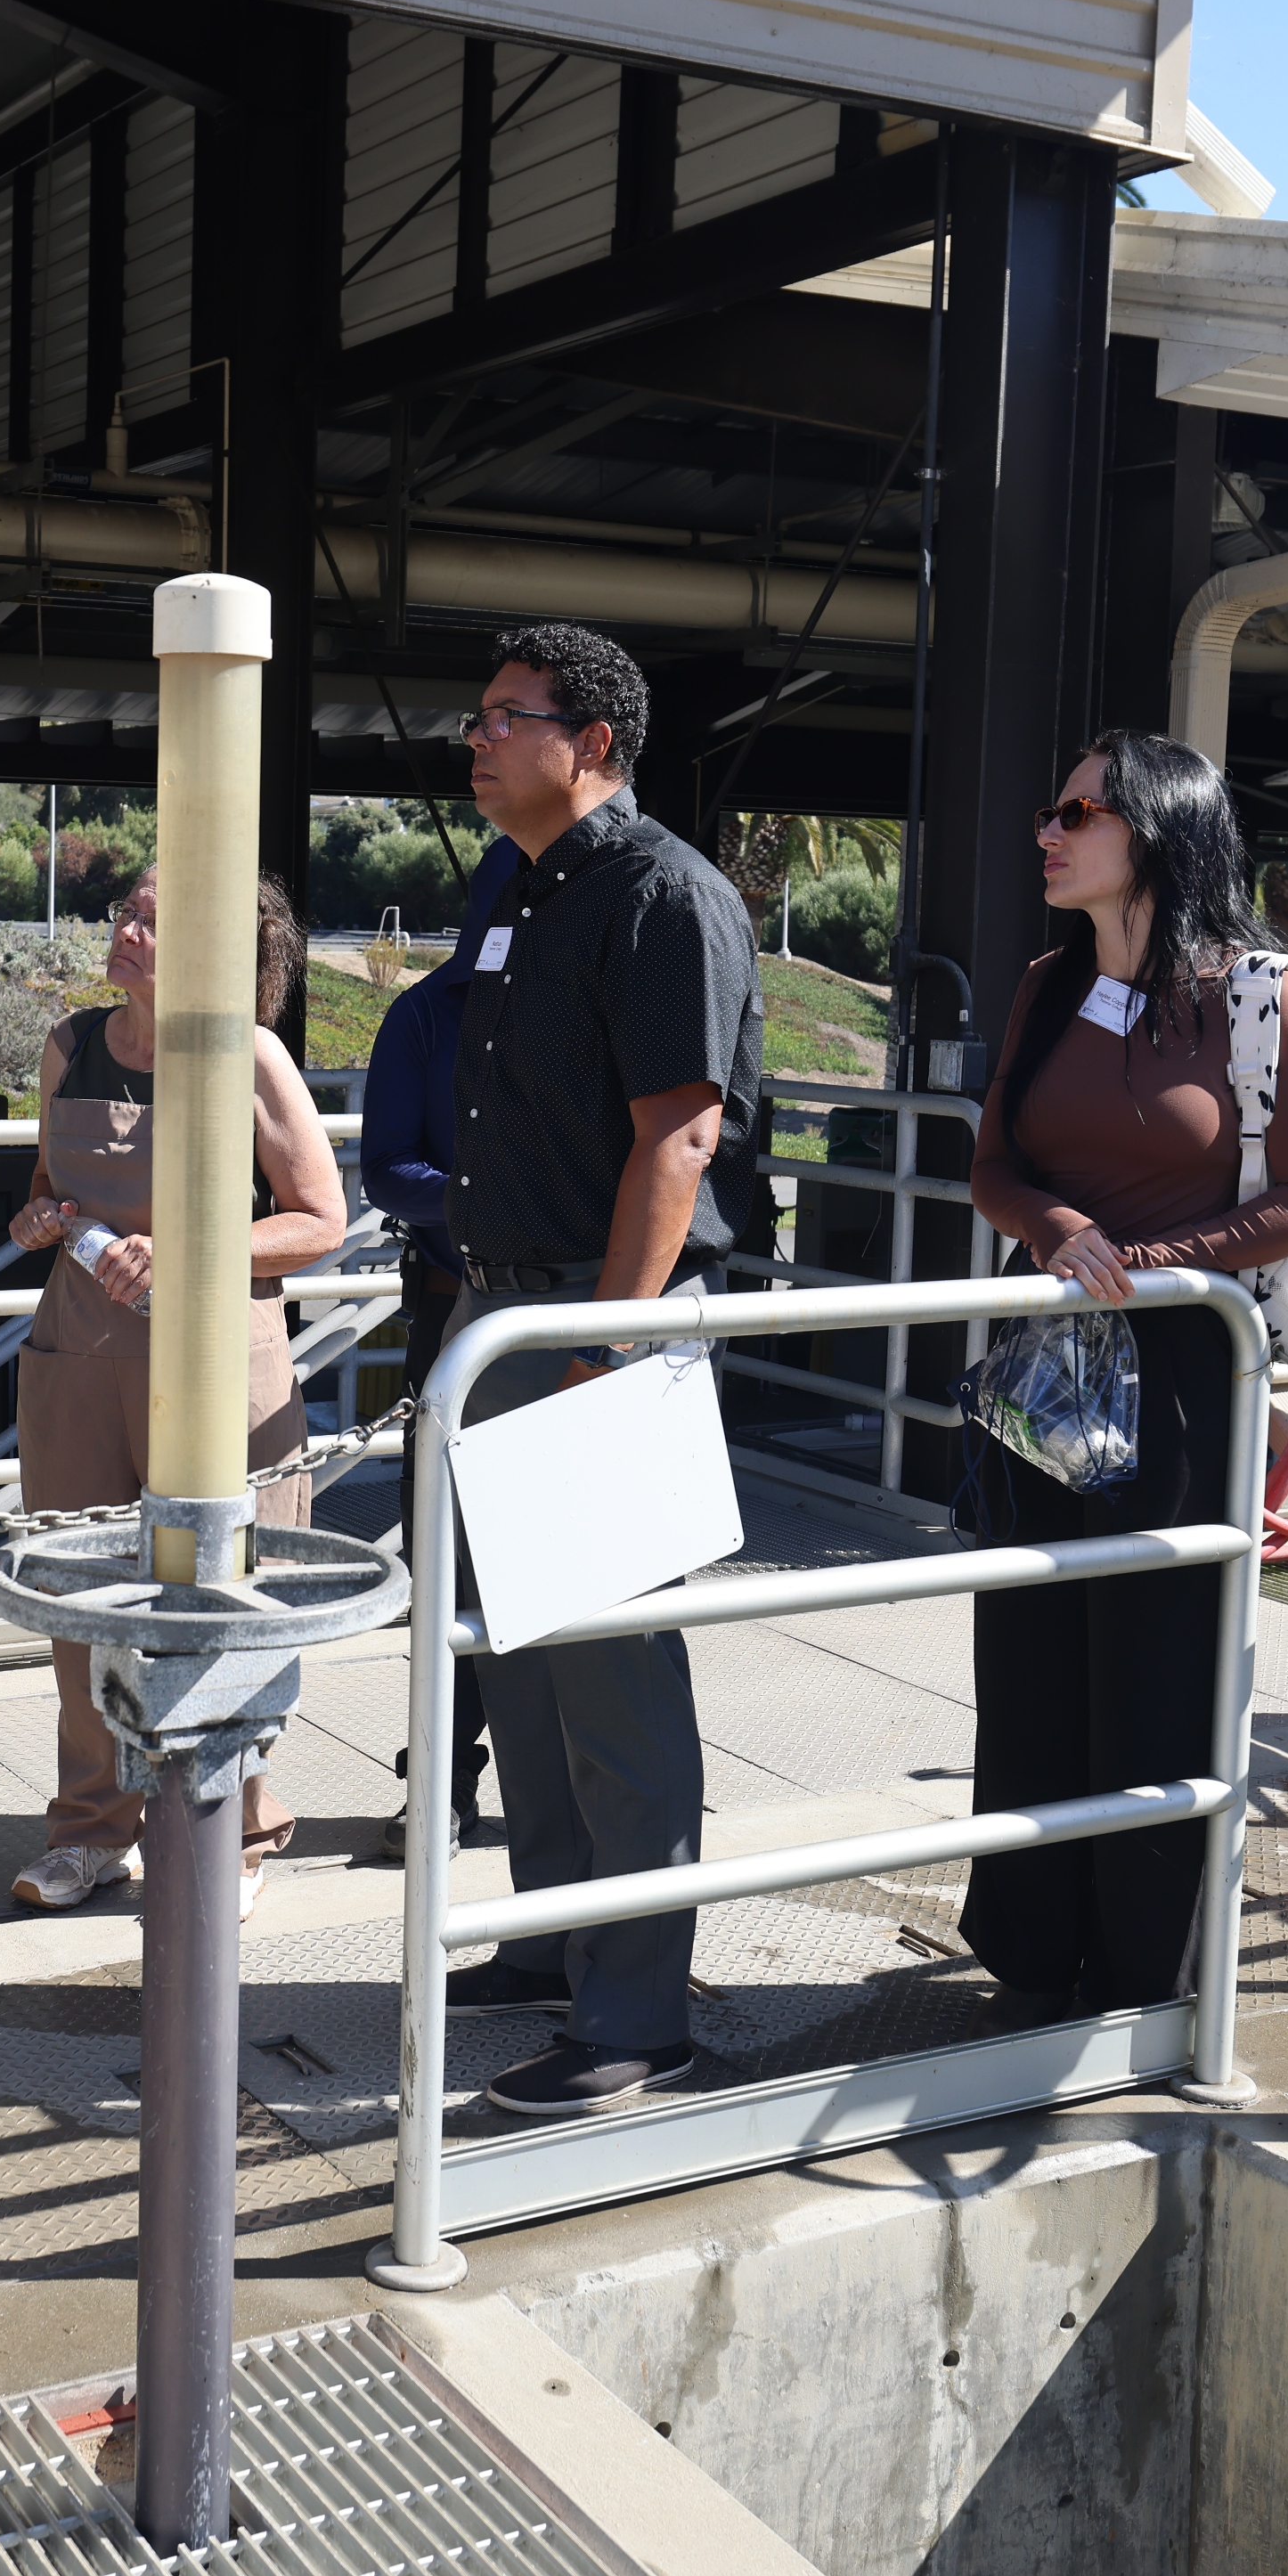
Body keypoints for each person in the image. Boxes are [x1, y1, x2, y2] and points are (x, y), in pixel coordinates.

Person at [432, 623, 764, 2119]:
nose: (479, 739)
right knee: (521, 1662)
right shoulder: (518, 887)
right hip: (502, 1313)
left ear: (595, 742)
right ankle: (555, 1945)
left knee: (617, 1683)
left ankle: (637, 2015)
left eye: (509, 717)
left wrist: (610, 1336)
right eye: (481, 717)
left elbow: (679, 1136)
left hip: (595, 1316)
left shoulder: (659, 892)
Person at [963, 729, 1288, 2023]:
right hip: (1049, 1360)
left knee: (1153, 1668)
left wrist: (1155, 1262)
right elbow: (993, 1168)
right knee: (1030, 1646)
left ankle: (1143, 1973)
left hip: (1182, 1365)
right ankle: (1031, 1945)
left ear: (1161, 831)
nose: (1049, 831)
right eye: (1050, 807)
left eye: (1080, 810)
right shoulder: (1046, 984)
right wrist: (1057, 1233)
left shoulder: (1257, 995)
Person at [0, 868, 347, 1912]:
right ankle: (91, 1834)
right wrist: (39, 1221)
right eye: (127, 912)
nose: (128, 928)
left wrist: (188, 1249)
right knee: (80, 1593)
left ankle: (233, 1831)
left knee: (221, 1595)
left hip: (214, 1360)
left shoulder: (248, 1054)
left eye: (156, 918)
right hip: (80, 1354)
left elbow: (320, 1221)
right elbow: (48, 1192)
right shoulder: (70, 1044)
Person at [357, 832, 524, 1859]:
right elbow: (386, 1170)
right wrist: (495, 1215)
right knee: (448, 1564)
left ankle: (565, 1788)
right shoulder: (424, 1015)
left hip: (571, 1320)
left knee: (565, 1558)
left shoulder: (576, 1016)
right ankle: (443, 1781)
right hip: (455, 1312)